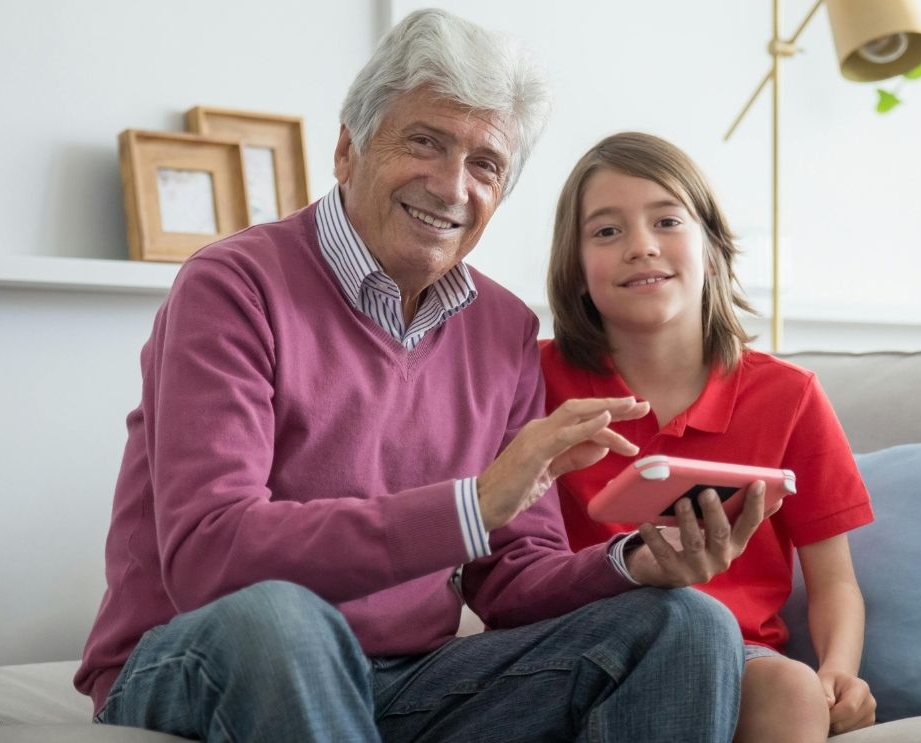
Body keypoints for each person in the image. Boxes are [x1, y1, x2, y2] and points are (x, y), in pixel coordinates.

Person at [75, 12, 767, 742]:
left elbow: (509, 578)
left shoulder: (501, 328)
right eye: (425, 141)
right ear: (348, 149)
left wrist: (632, 561)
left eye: (485, 165)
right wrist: (472, 503)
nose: (450, 185)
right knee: (282, 616)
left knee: (684, 622)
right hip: (199, 655)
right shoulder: (232, 286)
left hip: (407, 678)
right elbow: (210, 556)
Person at [540, 132, 878, 742]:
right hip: (579, 647)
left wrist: (837, 672)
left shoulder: (789, 395)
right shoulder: (533, 379)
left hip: (738, 657)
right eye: (606, 231)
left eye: (666, 220)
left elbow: (835, 583)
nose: (641, 247)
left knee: (791, 686)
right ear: (576, 270)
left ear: (713, 248)